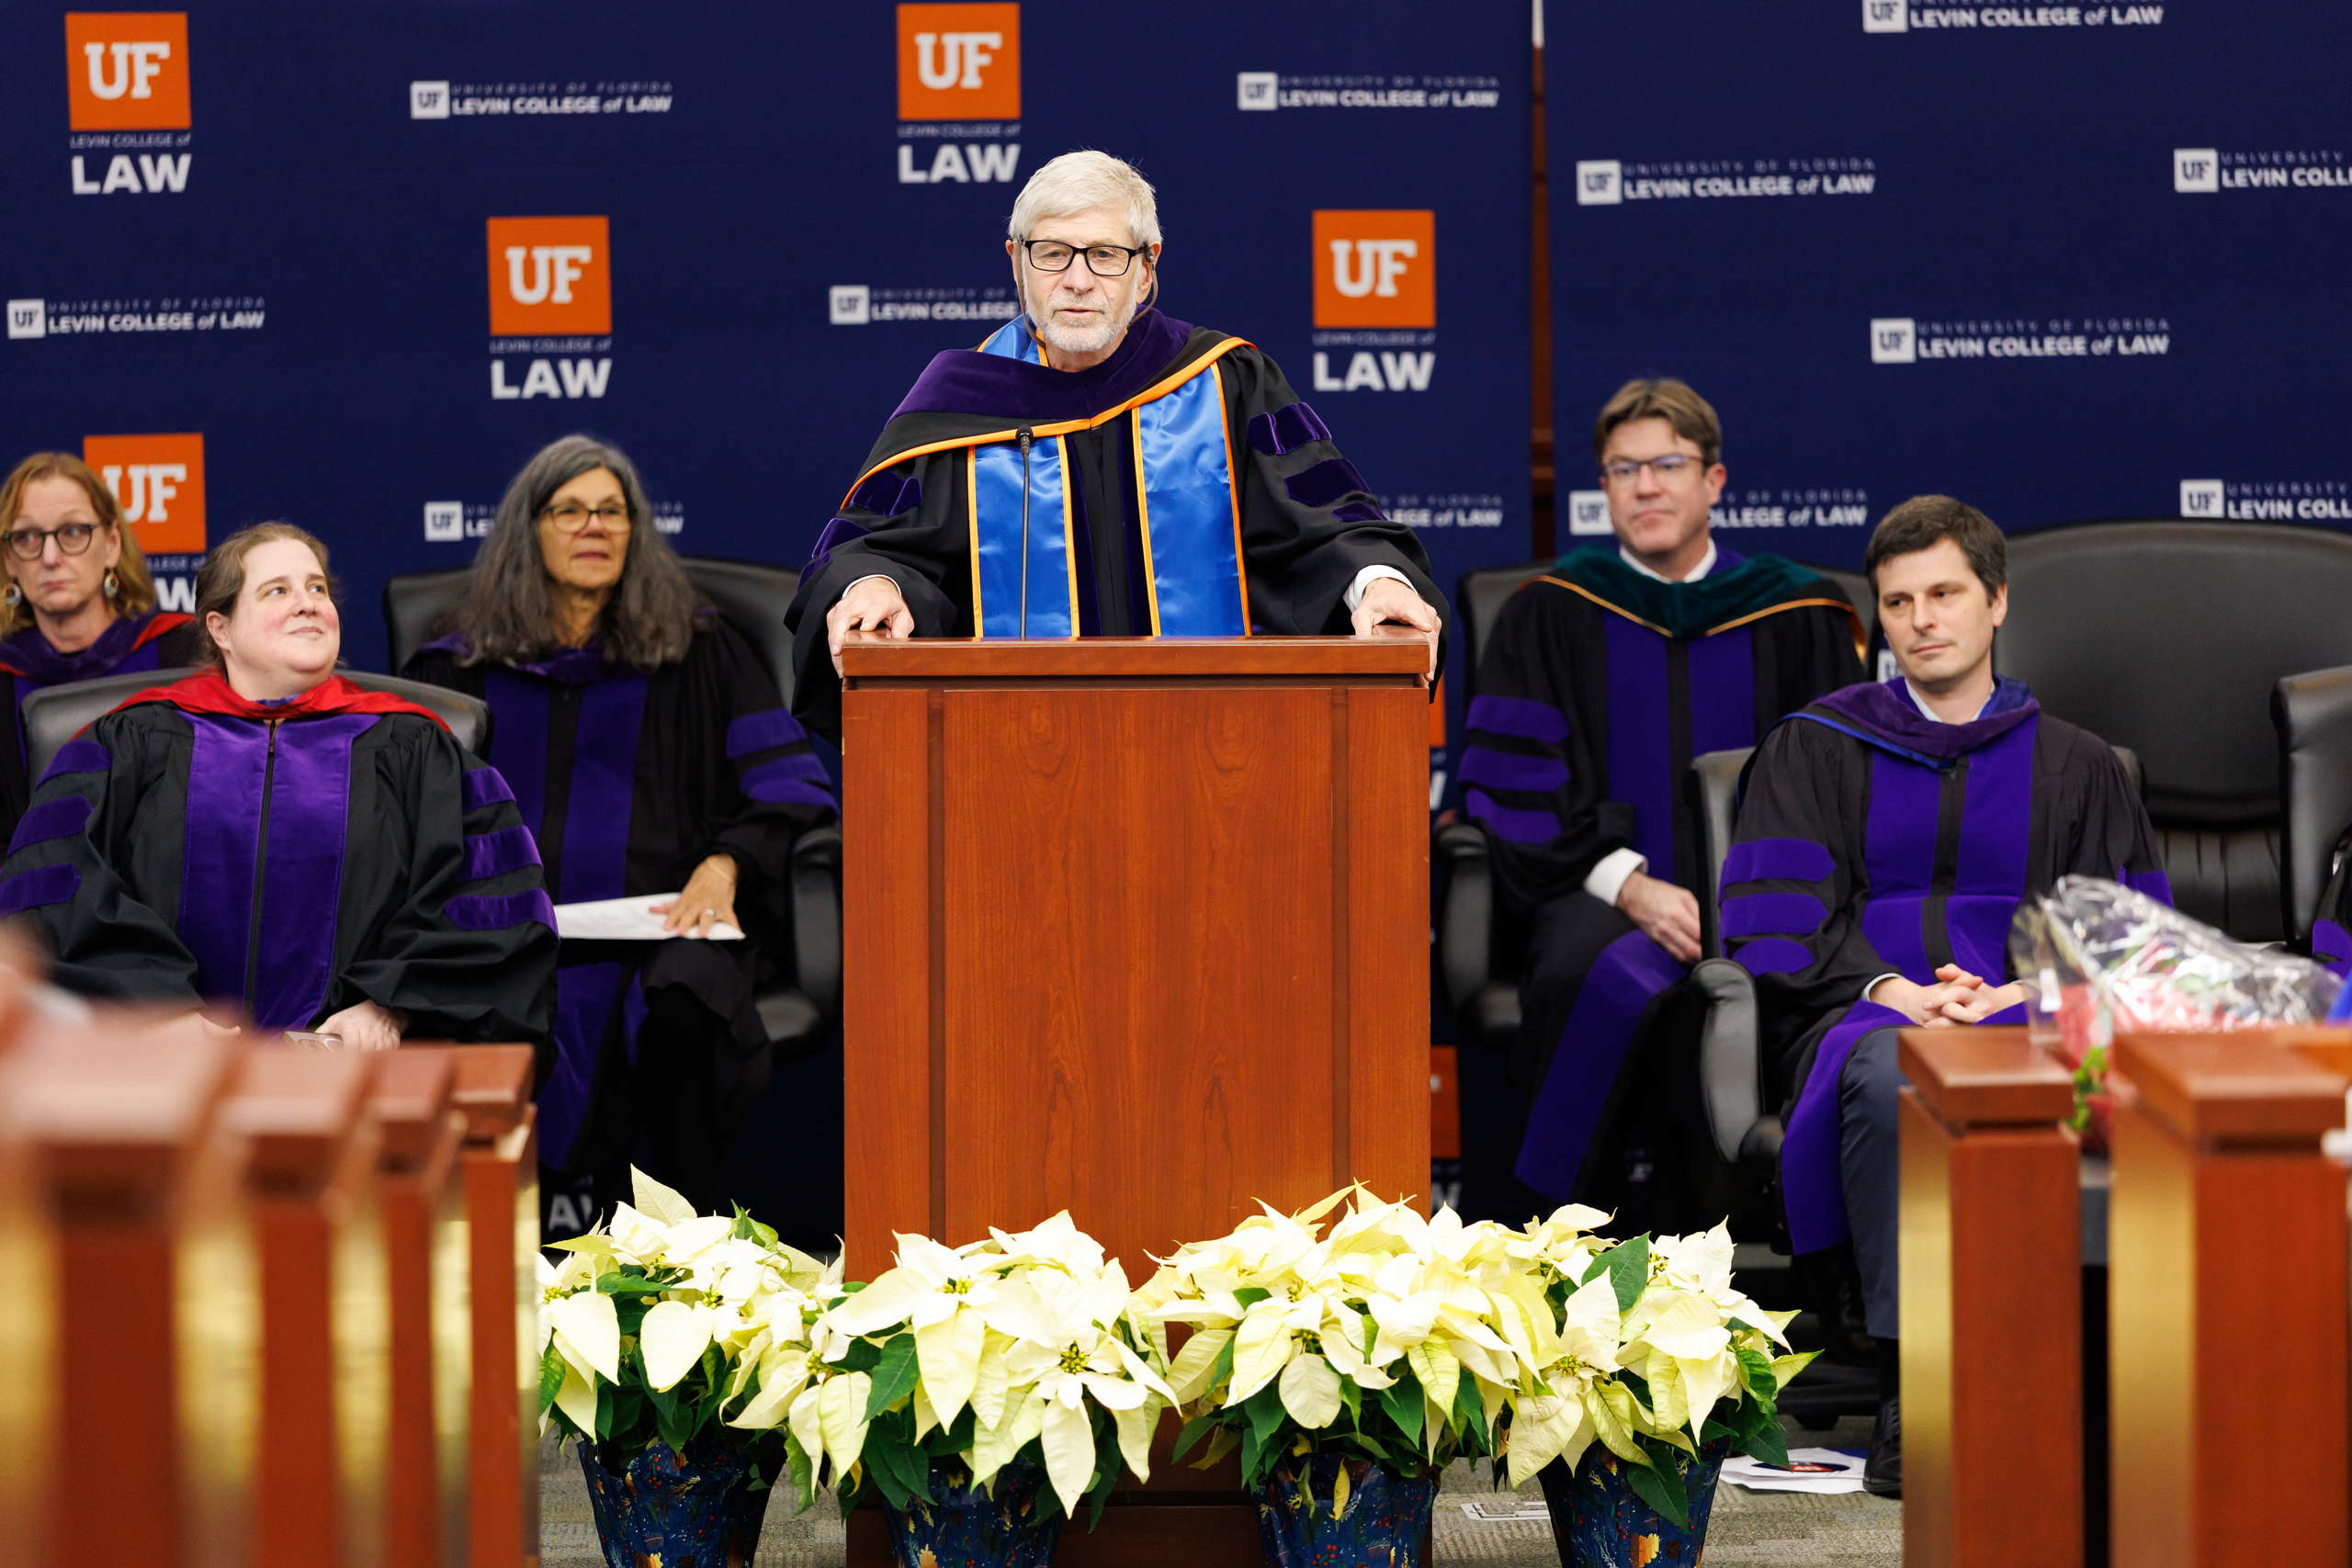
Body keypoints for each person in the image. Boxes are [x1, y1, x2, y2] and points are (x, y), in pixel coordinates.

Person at [1727, 495, 2167, 1494]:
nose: (1921, 618)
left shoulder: (2080, 765)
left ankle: (2073, 1372)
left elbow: (2124, 938)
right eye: (1896, 602)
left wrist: (2015, 997)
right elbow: (1770, 924)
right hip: (1861, 1019)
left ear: (1995, 600)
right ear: (1877, 620)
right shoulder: (1814, 745)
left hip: (2032, 1021)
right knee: (1899, 1075)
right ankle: (1909, 1383)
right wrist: (1896, 992)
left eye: (1943, 594)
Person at [785, 149, 1448, 736]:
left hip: (1221, 749)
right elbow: (876, 549)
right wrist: (874, 587)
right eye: (1053, 253)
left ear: (1147, 268)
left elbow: (1329, 528)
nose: (1078, 280)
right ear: (1017, 263)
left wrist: (1374, 582)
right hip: (1012, 758)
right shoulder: (959, 403)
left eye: (1105, 254)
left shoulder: (1227, 382)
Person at [405, 434, 838, 1218]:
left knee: (684, 1006)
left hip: (668, 920)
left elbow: (788, 785)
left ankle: (692, 1257)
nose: (593, 526)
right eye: (570, 510)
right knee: (470, 1002)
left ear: (636, 531)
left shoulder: (700, 652)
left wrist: (727, 865)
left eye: (612, 511)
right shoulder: (457, 667)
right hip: (505, 935)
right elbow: (408, 823)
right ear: (527, 530)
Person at [1467, 378, 1863, 1218]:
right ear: (1603, 489)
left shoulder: (1799, 613)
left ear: (1713, 481)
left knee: (1817, 969)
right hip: (1602, 889)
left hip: (1774, 894)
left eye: (1667, 464)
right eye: (1622, 469)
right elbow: (1515, 796)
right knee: (1581, 967)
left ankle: (1789, 1257)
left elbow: (1843, 789)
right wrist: (1631, 886)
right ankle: (1547, 1245)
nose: (1646, 485)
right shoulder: (1548, 614)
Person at [0, 523, 555, 1045]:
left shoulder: (417, 750)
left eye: (317, 587)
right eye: (276, 591)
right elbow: (50, 892)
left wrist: (390, 1002)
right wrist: (150, 1005)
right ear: (220, 629)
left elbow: (490, 905)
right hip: (164, 1084)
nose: (308, 602)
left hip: (358, 1078)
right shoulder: (128, 742)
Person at [0, 452, 204, 842]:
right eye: (27, 537)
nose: (50, 557)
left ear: (111, 544)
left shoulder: (185, 654)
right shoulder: (4, 678)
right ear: (9, 559)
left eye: (72, 531)